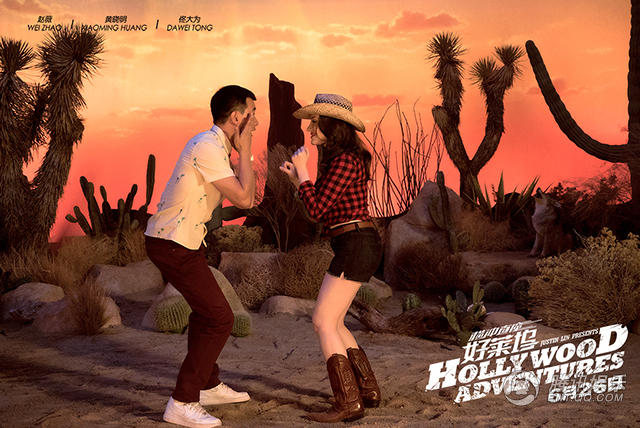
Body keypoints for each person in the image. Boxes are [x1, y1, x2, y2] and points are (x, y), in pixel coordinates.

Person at [144, 85, 259, 428]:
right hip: (172, 244)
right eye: (252, 115)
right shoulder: (207, 146)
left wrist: (243, 150)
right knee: (220, 318)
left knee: (208, 313)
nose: (255, 123)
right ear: (237, 118)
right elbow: (245, 199)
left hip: (184, 243)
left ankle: (207, 385)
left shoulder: (216, 147)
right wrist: (247, 148)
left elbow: (247, 196)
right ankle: (182, 402)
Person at [279, 93, 383, 423]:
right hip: (355, 242)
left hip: (355, 243)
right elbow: (322, 206)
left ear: (331, 125)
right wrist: (298, 180)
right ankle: (367, 389)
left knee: (322, 321)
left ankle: (348, 403)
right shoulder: (345, 159)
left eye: (314, 122)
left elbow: (317, 210)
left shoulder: (345, 161)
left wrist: (303, 172)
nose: (309, 128)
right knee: (334, 322)